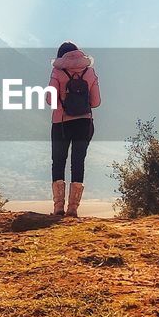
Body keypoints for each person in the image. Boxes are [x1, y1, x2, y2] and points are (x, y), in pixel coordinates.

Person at [49, 41, 101, 217]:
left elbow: (50, 99)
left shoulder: (57, 71)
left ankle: (58, 207)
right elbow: (96, 102)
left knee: (58, 162)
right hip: (84, 123)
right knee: (78, 163)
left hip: (61, 123)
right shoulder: (90, 71)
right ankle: (73, 208)